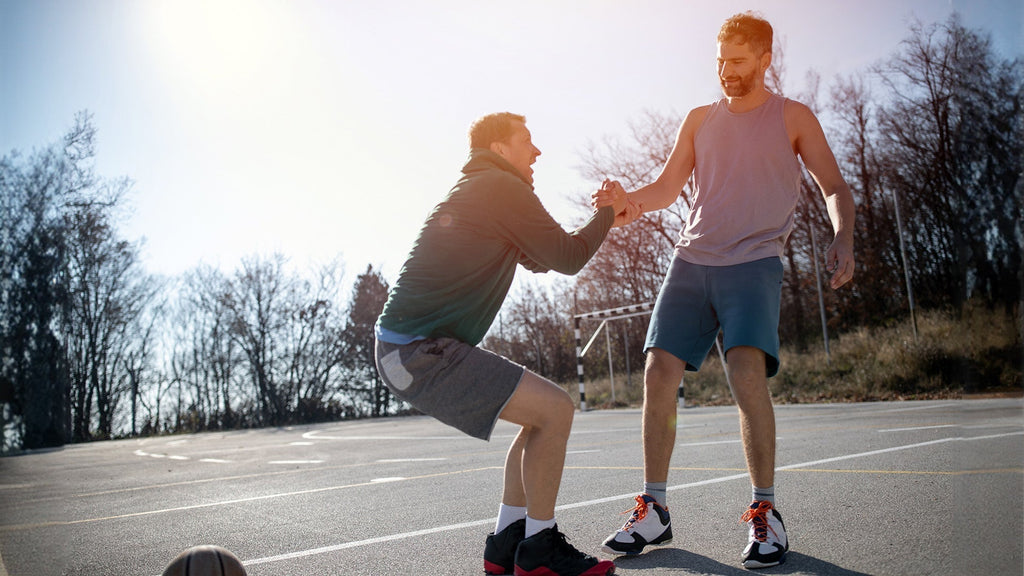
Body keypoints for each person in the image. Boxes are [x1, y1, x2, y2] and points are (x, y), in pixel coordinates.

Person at [598, 12, 855, 569]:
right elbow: (667, 189)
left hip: (754, 262)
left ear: (765, 59)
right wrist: (627, 203)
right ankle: (655, 508)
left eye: (738, 60)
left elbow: (834, 185)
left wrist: (844, 236)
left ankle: (766, 513)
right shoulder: (698, 119)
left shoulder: (793, 117)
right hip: (691, 259)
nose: (726, 71)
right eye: (720, 60)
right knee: (657, 371)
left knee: (744, 372)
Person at [374, 112, 621, 576]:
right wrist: (607, 210)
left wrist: (602, 221)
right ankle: (541, 550)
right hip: (418, 350)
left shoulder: (482, 189)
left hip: (404, 351)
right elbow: (568, 257)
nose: (537, 151)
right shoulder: (500, 188)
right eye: (527, 140)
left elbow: (542, 259)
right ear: (501, 148)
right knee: (556, 410)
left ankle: (509, 540)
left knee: (538, 420)